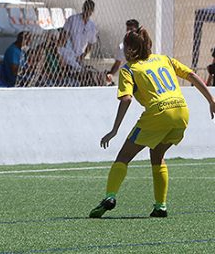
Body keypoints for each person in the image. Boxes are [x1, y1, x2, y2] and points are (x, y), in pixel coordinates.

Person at [89, 27, 215, 218]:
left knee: (123, 157)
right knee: (157, 156)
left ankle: (110, 196)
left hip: (158, 113)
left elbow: (126, 99)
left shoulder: (129, 69)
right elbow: (192, 75)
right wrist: (212, 101)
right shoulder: (164, 59)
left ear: (131, 50)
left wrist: (114, 130)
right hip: (181, 112)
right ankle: (160, 206)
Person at [106, 19, 140, 84]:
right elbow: (117, 63)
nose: (129, 31)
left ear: (137, 30)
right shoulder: (122, 47)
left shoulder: (142, 45)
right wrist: (111, 74)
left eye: (131, 29)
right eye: (128, 29)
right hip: (127, 77)